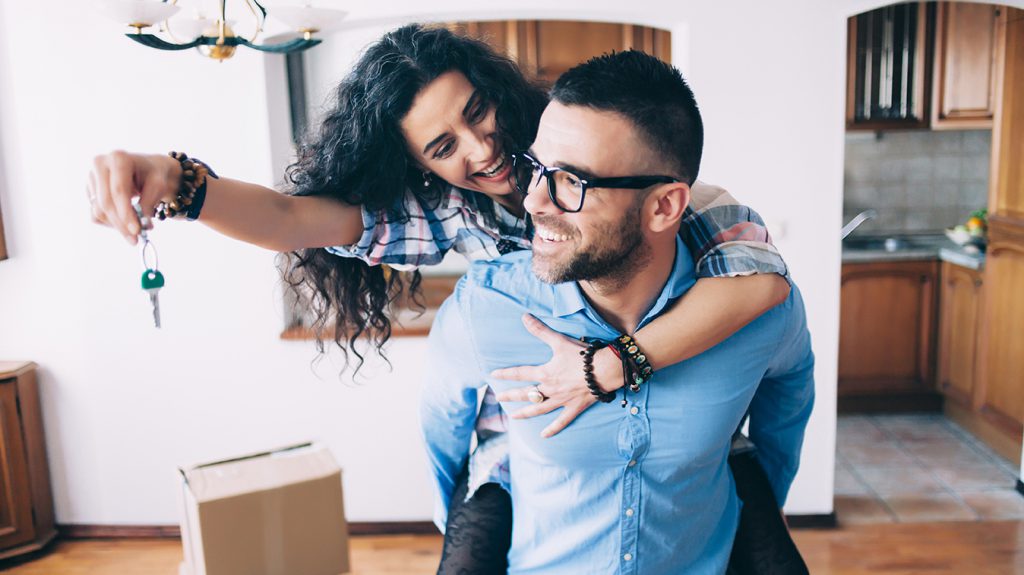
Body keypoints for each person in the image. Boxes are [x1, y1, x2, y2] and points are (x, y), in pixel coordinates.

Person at [86, 25, 794, 572]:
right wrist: (180, 184)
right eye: (442, 146)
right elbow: (287, 217)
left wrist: (611, 365)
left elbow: (763, 285)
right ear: (420, 166)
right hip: (517, 435)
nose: (481, 148)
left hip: (670, 413)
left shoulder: (649, 188)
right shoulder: (452, 215)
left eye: (479, 112)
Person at [420, 50, 815, 574]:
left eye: (571, 182)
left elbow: (790, 390)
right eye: (535, 168)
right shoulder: (485, 311)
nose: (534, 201)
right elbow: (443, 427)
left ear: (664, 206)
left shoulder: (757, 314)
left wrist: (769, 499)